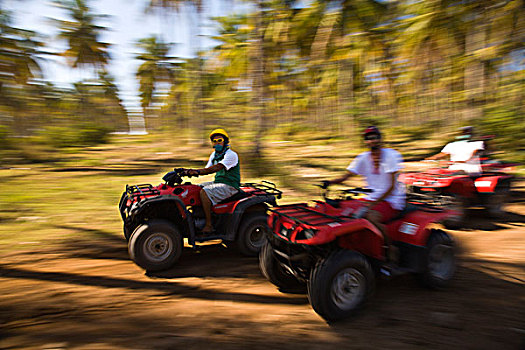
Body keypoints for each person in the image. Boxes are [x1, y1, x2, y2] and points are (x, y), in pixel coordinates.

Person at [322, 126, 405, 262]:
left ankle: (390, 248)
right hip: (369, 198)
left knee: (370, 217)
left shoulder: (391, 156)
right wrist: (330, 182)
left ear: (380, 139)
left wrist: (374, 203)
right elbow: (347, 176)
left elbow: (391, 187)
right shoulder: (363, 158)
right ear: (365, 141)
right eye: (369, 138)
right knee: (343, 211)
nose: (372, 140)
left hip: (391, 200)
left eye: (375, 137)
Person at [182, 128, 241, 234]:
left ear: (225, 141)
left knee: (205, 192)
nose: (217, 143)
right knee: (195, 189)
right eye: (215, 141)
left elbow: (215, 168)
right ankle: (196, 218)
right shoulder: (214, 155)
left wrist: (195, 172)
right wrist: (187, 172)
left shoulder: (231, 155)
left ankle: (209, 225)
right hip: (219, 183)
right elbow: (207, 168)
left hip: (230, 186)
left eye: (220, 140)